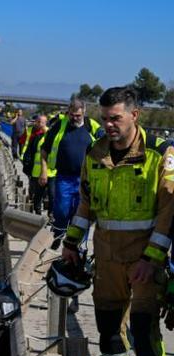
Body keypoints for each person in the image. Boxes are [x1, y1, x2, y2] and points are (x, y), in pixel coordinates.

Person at [60, 86, 174, 356]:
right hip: (106, 258)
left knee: (144, 330)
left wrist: (151, 259)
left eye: (116, 118)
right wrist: (71, 243)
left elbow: (169, 211)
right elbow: (86, 204)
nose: (108, 125)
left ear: (134, 116)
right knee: (108, 326)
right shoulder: (94, 154)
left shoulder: (160, 154)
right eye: (105, 118)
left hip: (144, 262)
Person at [40, 99, 104, 247]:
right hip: (64, 178)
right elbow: (44, 149)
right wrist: (44, 170)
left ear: (84, 113)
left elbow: (108, 143)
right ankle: (56, 239)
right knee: (61, 211)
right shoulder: (60, 126)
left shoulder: (91, 126)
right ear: (68, 112)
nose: (74, 118)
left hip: (86, 180)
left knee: (81, 215)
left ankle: (78, 247)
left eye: (78, 116)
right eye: (72, 115)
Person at [22, 114, 50, 215]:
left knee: (47, 193)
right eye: (37, 121)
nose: (38, 124)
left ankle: (46, 212)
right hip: (34, 170)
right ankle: (37, 209)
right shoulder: (33, 133)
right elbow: (27, 147)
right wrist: (26, 162)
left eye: (41, 122)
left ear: (45, 123)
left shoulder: (49, 135)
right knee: (36, 193)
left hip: (47, 171)